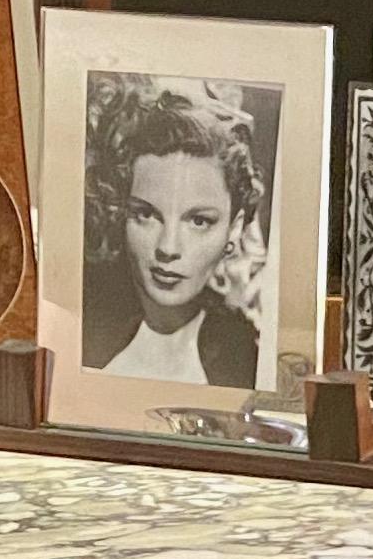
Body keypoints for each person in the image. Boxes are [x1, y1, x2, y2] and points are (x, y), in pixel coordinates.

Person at [81, 84, 267, 387]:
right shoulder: (79, 339)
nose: (168, 247)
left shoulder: (250, 361)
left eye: (198, 221)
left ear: (234, 228)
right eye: (146, 214)